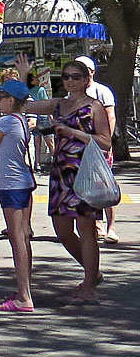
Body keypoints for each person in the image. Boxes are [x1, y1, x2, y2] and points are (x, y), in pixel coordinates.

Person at [19, 60, 110, 305]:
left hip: (85, 172)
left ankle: (90, 286)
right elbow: (25, 105)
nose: (70, 80)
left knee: (86, 229)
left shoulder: (94, 106)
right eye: (66, 76)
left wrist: (73, 133)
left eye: (76, 76)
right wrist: (24, 76)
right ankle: (94, 273)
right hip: (61, 172)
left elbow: (105, 141)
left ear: (86, 79)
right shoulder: (58, 104)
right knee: (61, 229)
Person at [0, 79, 36, 311]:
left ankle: (24, 297)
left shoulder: (4, 122)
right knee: (23, 237)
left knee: (17, 240)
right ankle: (25, 289)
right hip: (22, 180)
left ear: (10, 100)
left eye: (0, 98)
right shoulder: (21, 121)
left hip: (11, 184)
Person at [74, 56, 119, 245]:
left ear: (91, 72)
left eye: (81, 71)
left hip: (99, 146)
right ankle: (97, 226)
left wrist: (104, 143)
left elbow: (111, 117)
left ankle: (111, 227)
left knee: (105, 186)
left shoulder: (102, 91)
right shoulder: (73, 94)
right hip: (80, 149)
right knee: (88, 186)